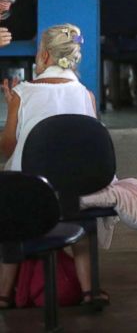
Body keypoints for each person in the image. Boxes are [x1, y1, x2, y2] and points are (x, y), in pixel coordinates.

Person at [0, 24, 109, 308]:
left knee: (13, 228)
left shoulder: (23, 93)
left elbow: (6, 149)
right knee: (81, 230)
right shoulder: (86, 95)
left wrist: (11, 108)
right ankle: (89, 291)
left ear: (46, 56)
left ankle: (3, 293)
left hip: (31, 193)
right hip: (76, 190)